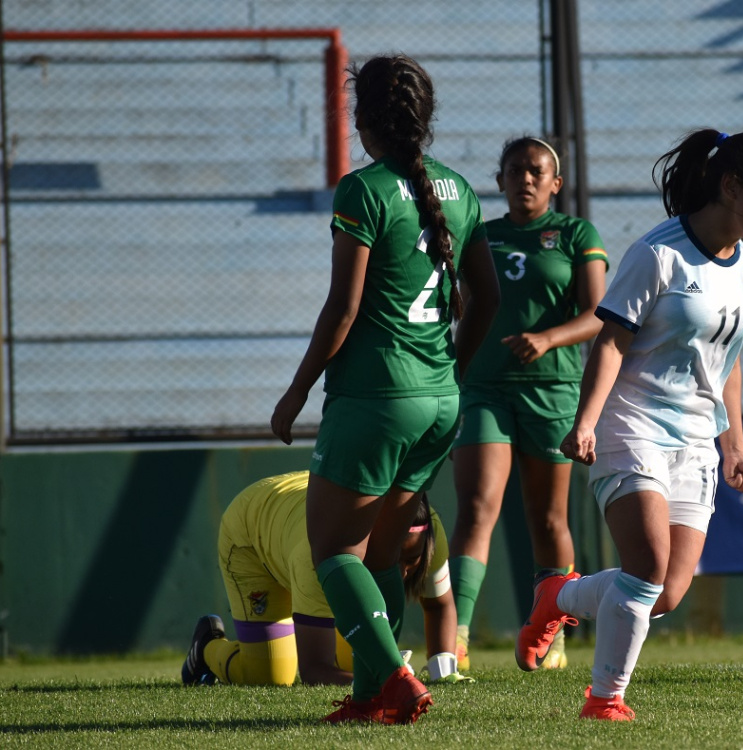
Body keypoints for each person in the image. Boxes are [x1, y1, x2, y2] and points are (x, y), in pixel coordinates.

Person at [515, 129, 743, 720]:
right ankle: (604, 700)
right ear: (731, 186)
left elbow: (728, 362)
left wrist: (736, 447)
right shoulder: (657, 252)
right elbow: (611, 342)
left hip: (696, 440)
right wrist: (586, 422)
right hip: (632, 424)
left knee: (664, 593)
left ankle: (558, 596)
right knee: (645, 568)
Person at [268, 54, 500, 725]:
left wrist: (296, 391)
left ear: (364, 118)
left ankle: (395, 680)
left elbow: (343, 308)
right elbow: (487, 297)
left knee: (334, 552)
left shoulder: (362, 190)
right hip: (441, 399)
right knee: (382, 556)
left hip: (376, 398)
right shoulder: (460, 189)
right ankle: (371, 698)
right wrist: (452, 370)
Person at [448, 136, 608, 672]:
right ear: (500, 180)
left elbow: (599, 314)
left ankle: (550, 631)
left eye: (537, 171)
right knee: (477, 506)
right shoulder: (479, 234)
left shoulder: (575, 234)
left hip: (553, 389)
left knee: (547, 517)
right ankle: (455, 638)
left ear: (555, 183)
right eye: (515, 170)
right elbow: (459, 303)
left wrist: (547, 338)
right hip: (484, 387)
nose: (526, 178)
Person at [180, 471, 473, 689]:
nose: (399, 574)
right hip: (252, 534)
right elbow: (314, 670)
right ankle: (206, 648)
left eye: (411, 560)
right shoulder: (321, 554)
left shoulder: (427, 530)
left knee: (360, 660)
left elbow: (439, 605)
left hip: (294, 513)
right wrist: (389, 685)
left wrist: (443, 670)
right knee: (269, 676)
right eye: (391, 558)